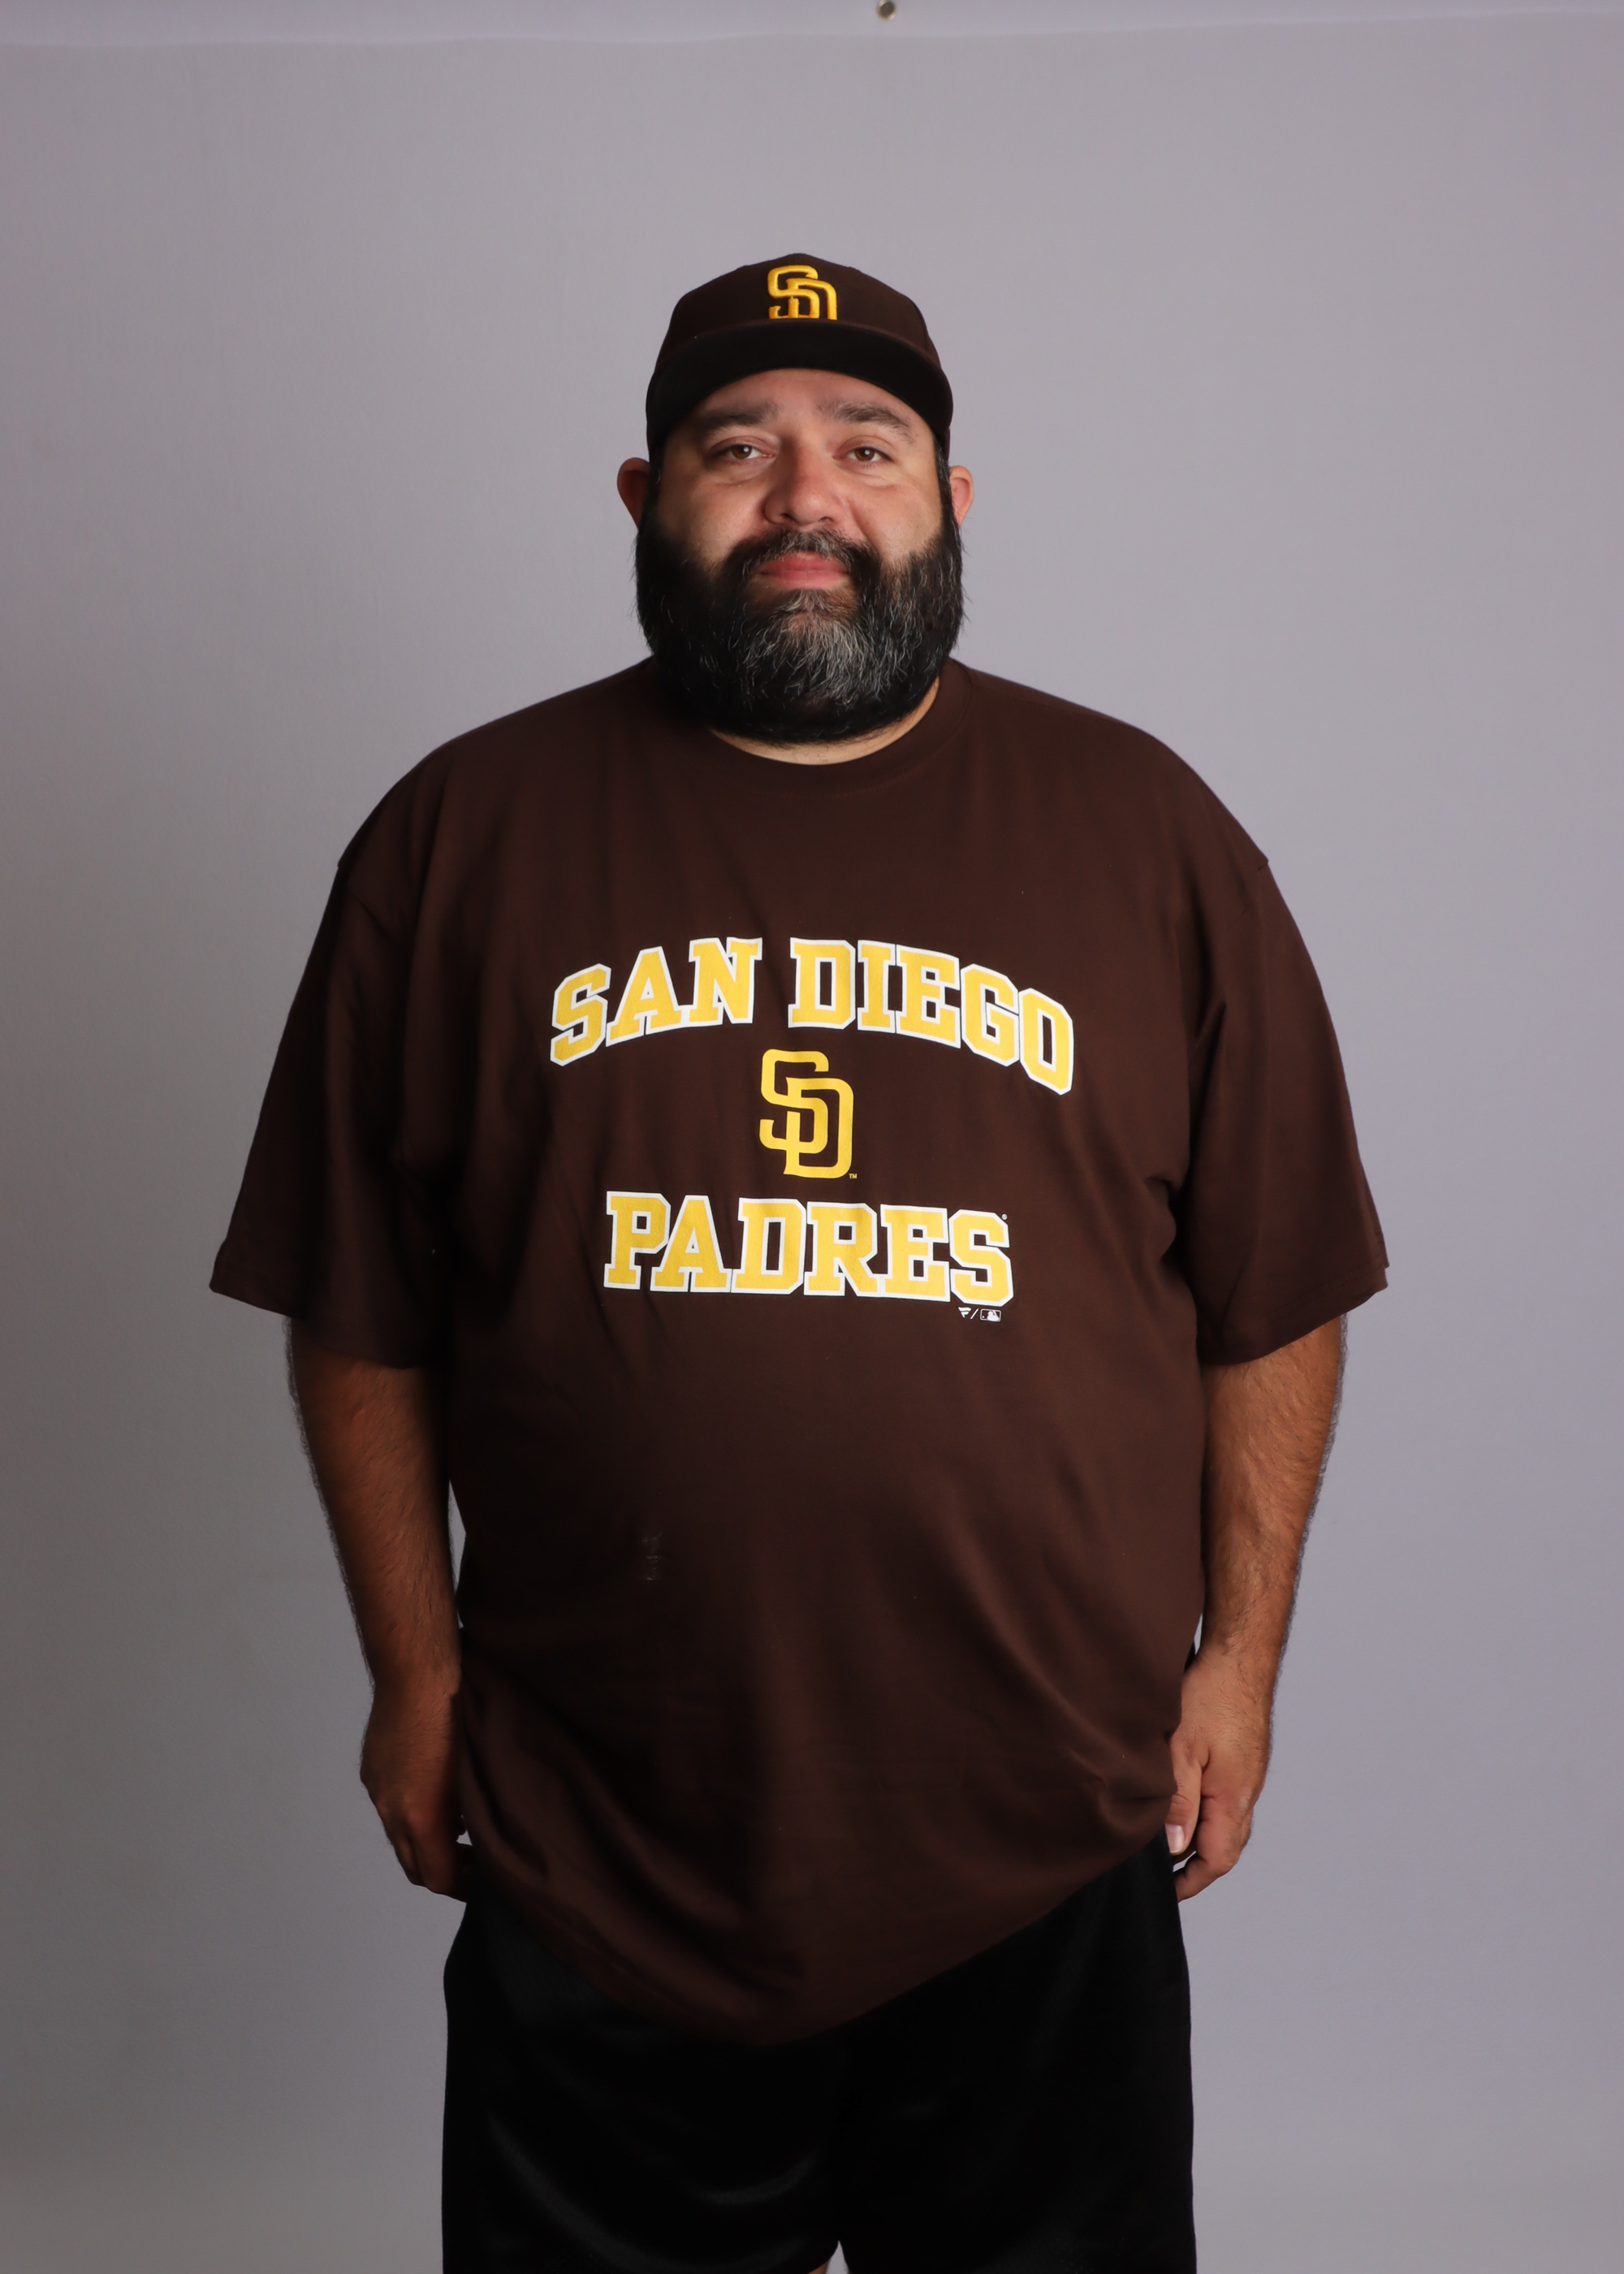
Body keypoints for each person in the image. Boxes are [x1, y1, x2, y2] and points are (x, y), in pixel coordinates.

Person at [212, 254, 1386, 2274]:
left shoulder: (1145, 831)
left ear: (951, 497)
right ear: (643, 496)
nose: (804, 498)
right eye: (735, 448)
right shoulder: (461, 834)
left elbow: (1271, 1288)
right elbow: (361, 1305)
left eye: (867, 447)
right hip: (601, 1826)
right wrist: (414, 1671)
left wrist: (1242, 1660)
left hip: (1042, 1813)